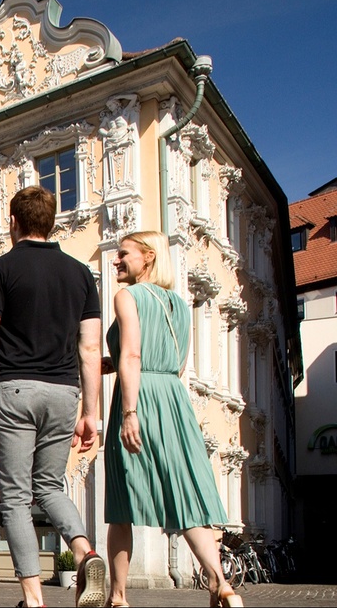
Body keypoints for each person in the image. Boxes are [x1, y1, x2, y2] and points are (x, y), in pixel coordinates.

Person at [0, 186, 106, 608]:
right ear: (52, 221)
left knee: (16, 496)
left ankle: (34, 599)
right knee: (50, 486)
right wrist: (91, 412)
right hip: (64, 392)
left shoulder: (0, 269)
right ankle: (85, 553)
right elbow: (90, 349)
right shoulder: (81, 274)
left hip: (14, 390)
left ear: (13, 222)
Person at [103, 231, 241, 608]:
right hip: (174, 399)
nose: (117, 260)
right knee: (185, 495)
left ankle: (118, 596)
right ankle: (221, 584)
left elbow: (133, 355)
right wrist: (108, 364)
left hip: (140, 397)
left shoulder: (126, 296)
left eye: (123, 254)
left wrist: (130, 411)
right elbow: (175, 363)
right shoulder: (180, 305)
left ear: (147, 258)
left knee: (121, 502)